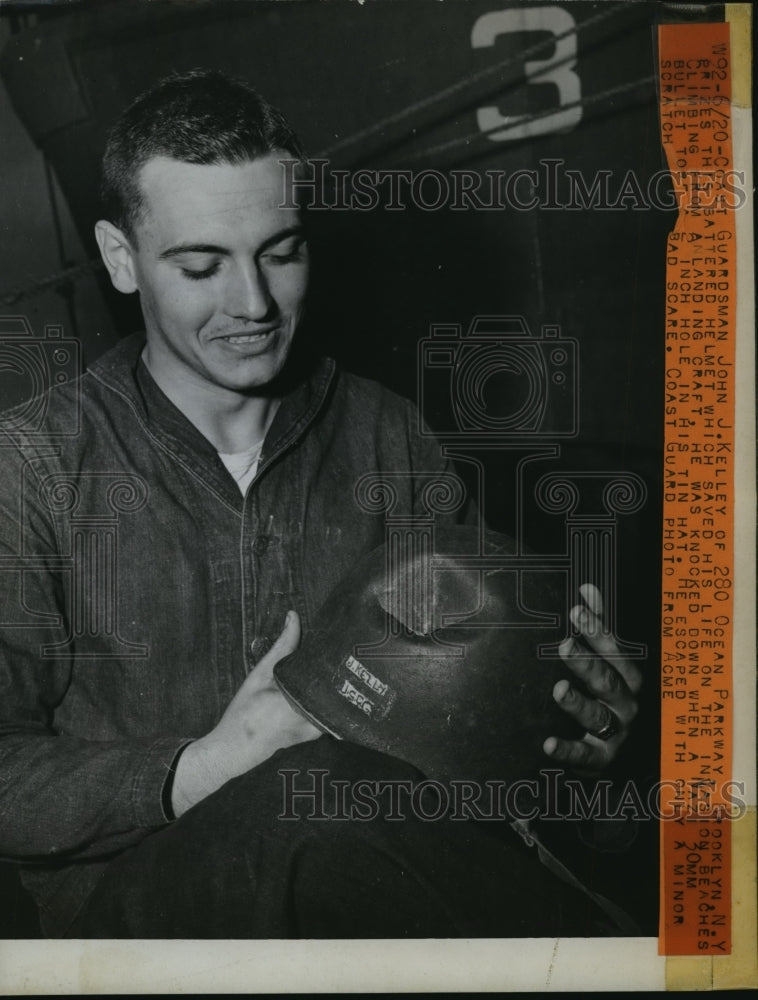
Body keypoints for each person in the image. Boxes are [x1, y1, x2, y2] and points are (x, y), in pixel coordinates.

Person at [0, 69, 643, 938]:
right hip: (139, 929)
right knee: (310, 797)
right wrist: (200, 769)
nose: (254, 304)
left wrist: (576, 736)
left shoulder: (390, 436)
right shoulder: (31, 464)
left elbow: (491, 755)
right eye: (201, 265)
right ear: (121, 259)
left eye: (281, 251)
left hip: (370, 896)